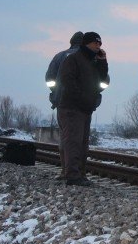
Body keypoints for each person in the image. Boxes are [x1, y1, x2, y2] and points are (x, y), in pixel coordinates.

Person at [56, 32, 110, 186]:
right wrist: (81, 99)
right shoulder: (73, 60)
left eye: (100, 44)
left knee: (82, 143)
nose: (98, 46)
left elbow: (102, 78)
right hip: (72, 107)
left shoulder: (92, 61)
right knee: (73, 141)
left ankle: (80, 173)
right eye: (95, 43)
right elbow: (68, 82)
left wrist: (103, 61)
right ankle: (72, 175)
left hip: (86, 108)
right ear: (86, 43)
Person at [45, 31, 83, 179]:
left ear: (71, 42)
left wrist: (56, 91)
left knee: (65, 137)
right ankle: (78, 171)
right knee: (80, 139)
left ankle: (65, 170)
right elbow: (102, 81)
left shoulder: (60, 56)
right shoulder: (89, 57)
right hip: (83, 104)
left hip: (62, 102)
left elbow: (49, 78)